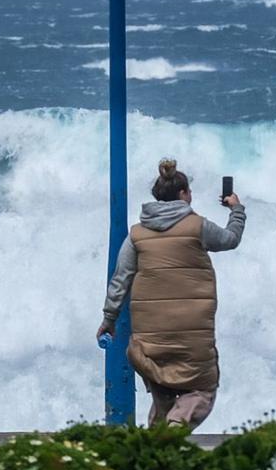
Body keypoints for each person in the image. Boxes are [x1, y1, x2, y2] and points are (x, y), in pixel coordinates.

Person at [96, 158, 247, 429]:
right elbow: (230, 239)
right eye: (189, 192)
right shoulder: (197, 226)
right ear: (181, 194)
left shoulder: (137, 235)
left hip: (149, 341)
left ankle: (153, 456)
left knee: (163, 395)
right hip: (192, 336)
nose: (191, 196)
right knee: (202, 391)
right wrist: (236, 209)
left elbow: (121, 280)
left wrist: (108, 320)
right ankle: (178, 423)